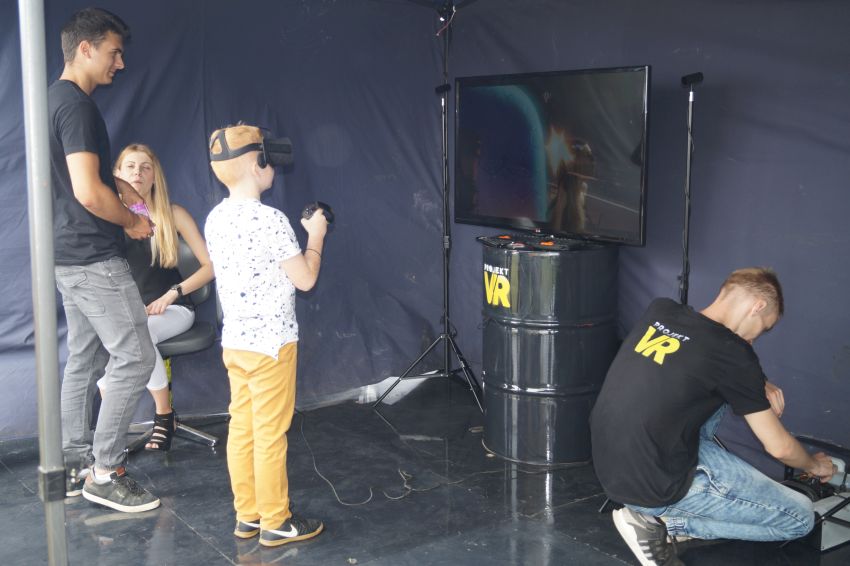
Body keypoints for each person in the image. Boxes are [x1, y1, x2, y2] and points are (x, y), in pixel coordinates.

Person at [590, 268, 836, 566]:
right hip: (656, 484)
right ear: (757, 306)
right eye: (764, 328)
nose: (756, 338)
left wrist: (757, 382)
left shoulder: (662, 311)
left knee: (712, 389)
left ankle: (657, 514)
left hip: (613, 467)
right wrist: (815, 466)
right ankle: (659, 524)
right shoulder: (733, 355)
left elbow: (703, 360)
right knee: (800, 519)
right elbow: (779, 448)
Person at [49, 7, 160, 512]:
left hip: (67, 257)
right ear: (86, 48)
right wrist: (132, 223)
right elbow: (89, 193)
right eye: (114, 53)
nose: (120, 63)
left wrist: (128, 192)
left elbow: (91, 175)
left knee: (86, 359)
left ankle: (75, 465)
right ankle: (105, 471)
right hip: (94, 257)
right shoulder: (77, 107)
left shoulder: (55, 100)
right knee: (136, 356)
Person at [205, 124, 329, 547]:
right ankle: (276, 520)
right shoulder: (271, 220)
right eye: (269, 159)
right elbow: (306, 279)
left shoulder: (215, 217)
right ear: (257, 165)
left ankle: (248, 516)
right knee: (270, 434)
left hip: (236, 343)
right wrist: (316, 236)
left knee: (242, 430)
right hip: (273, 345)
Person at [96, 144, 214, 451]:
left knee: (140, 332)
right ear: (116, 175)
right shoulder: (108, 220)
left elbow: (210, 267)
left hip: (173, 310)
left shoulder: (173, 214)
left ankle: (164, 415)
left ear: (154, 177)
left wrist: (173, 293)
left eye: (145, 167)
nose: (137, 172)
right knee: (112, 343)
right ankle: (113, 430)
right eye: (130, 166)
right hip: (127, 314)